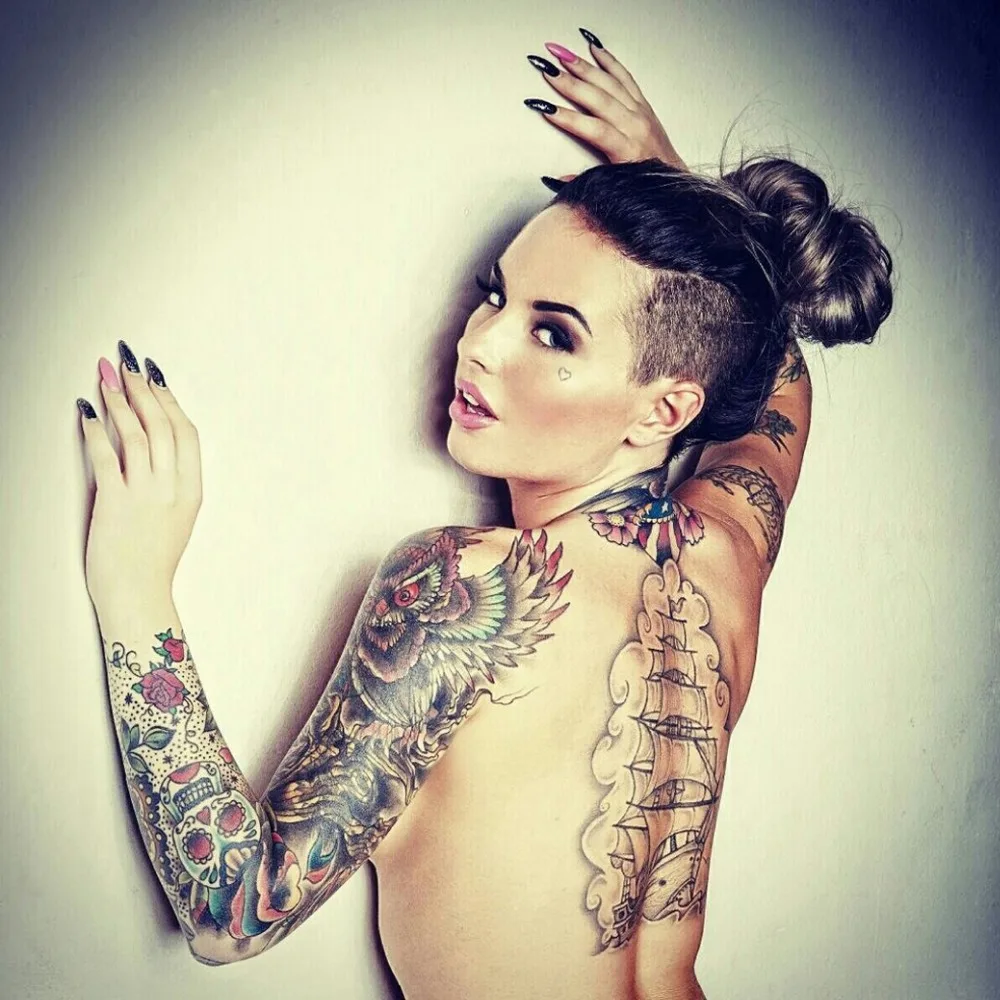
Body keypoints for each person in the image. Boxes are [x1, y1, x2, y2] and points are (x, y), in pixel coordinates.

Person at [77, 27, 894, 1000]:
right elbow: (775, 382)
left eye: (553, 333)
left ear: (666, 409)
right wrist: (677, 200)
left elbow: (230, 913)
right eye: (496, 295)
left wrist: (135, 583)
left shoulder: (467, 588)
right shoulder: (730, 548)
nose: (481, 342)